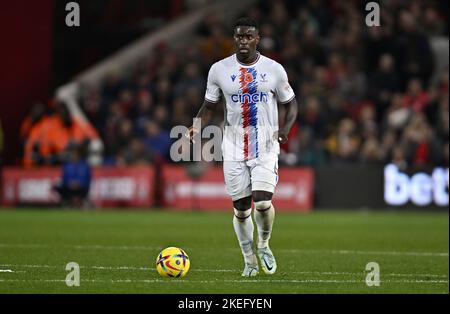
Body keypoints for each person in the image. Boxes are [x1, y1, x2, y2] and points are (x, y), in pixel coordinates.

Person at [187, 17, 298, 277]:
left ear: (257, 39)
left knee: (261, 202)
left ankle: (264, 244)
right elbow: (209, 105)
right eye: (239, 36)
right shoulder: (218, 70)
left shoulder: (274, 69)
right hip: (233, 146)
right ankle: (248, 260)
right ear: (234, 38)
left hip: (266, 144)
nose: (243, 41)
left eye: (249, 36)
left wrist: (285, 130)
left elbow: (291, 102)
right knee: (241, 209)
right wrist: (196, 125)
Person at [54, 143, 92, 207]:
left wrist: (79, 183)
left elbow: (87, 178)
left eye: (75, 154)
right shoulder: (67, 165)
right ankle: (66, 202)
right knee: (58, 186)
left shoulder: (84, 165)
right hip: (69, 187)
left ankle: (83, 202)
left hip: (81, 188)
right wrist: (69, 183)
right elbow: (64, 178)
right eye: (72, 154)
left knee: (86, 188)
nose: (73, 155)